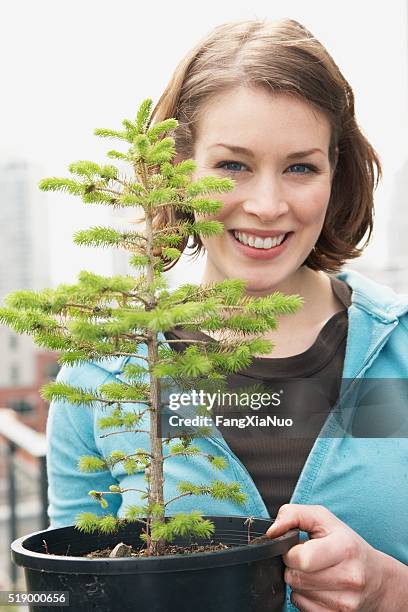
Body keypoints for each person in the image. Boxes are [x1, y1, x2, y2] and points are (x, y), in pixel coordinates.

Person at [47, 18, 408, 611]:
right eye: (232, 166)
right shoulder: (106, 378)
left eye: (300, 166)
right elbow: (70, 594)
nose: (266, 206)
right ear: (177, 167)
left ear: (335, 170)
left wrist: (391, 591)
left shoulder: (396, 351)